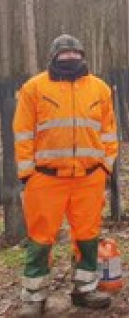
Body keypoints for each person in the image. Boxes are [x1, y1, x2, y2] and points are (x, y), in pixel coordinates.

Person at [13, 34, 118, 317]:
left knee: (88, 235)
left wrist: (105, 167)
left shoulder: (100, 89)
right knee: (40, 237)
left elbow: (109, 133)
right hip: (45, 178)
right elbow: (23, 133)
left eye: (75, 54)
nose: (70, 58)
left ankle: (85, 288)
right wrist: (27, 175)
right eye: (64, 54)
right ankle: (34, 295)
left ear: (82, 56)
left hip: (89, 177)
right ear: (53, 57)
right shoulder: (34, 88)